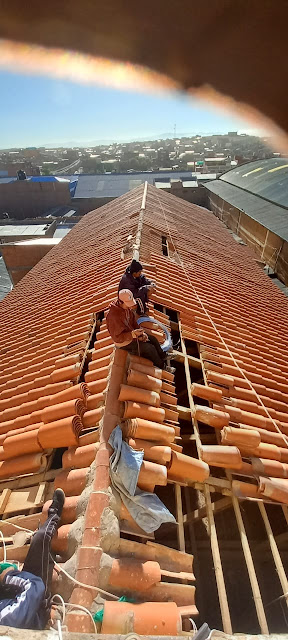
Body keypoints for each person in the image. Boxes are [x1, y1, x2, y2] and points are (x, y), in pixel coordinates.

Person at [0, 488, 65, 630]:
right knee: (40, 539)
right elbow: (34, 587)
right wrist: (8, 576)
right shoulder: (6, 621)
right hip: (36, 605)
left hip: (13, 599)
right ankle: (54, 516)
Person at [106, 289, 166, 369]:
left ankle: (163, 356)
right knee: (149, 348)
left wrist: (141, 333)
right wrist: (133, 335)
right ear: (121, 302)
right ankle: (162, 366)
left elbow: (133, 322)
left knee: (153, 339)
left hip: (133, 334)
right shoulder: (113, 317)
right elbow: (117, 338)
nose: (130, 306)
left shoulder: (127, 308)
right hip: (124, 343)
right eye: (128, 304)